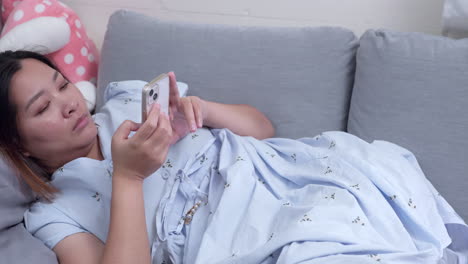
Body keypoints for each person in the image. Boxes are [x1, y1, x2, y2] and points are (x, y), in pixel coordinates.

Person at [0, 50, 464, 264]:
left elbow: (263, 130)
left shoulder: (128, 100)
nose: (68, 103)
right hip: (227, 233)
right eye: (42, 107)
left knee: (348, 212)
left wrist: (205, 112)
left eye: (62, 85)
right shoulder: (53, 213)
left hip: (278, 176)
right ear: (18, 143)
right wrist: (129, 178)